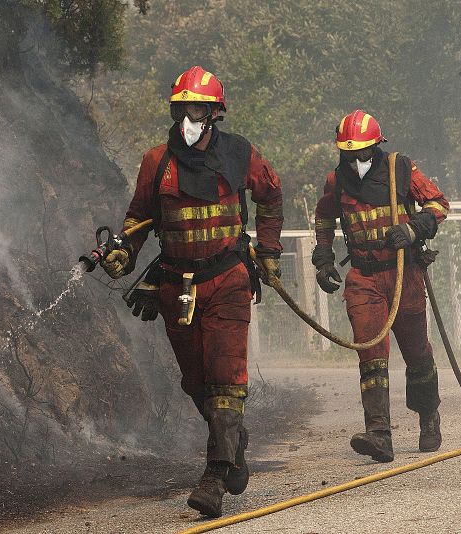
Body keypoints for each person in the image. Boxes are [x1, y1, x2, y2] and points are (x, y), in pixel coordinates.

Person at [101, 65, 284, 518]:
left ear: (214, 113)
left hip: (228, 280)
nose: (189, 116)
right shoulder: (156, 161)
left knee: (225, 377)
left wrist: (270, 250)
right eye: (183, 108)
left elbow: (272, 195)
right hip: (176, 286)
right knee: (196, 382)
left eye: (198, 108)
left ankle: (214, 478)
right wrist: (124, 252)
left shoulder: (241, 154)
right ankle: (233, 441)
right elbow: (138, 217)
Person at [311, 110, 449, 462]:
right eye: (348, 153)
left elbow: (438, 203)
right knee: (370, 352)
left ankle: (428, 416)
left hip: (403, 272)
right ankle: (379, 434)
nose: (356, 160)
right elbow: (325, 217)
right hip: (364, 277)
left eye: (362, 153)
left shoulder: (399, 168)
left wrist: (414, 228)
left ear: (375, 147)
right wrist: (324, 257)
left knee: (417, 352)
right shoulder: (336, 180)